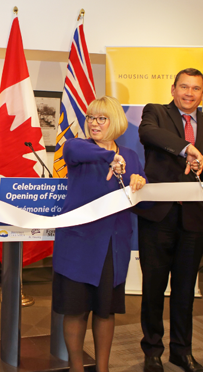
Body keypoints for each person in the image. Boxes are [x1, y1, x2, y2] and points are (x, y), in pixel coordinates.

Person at [133, 68, 203, 372]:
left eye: (196, 88)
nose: (189, 93)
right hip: (158, 216)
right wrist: (186, 148)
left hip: (194, 219)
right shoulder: (156, 114)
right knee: (153, 288)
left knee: (186, 289)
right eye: (184, 87)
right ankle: (152, 351)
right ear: (173, 89)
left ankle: (181, 351)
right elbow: (148, 134)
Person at [52, 96, 146, 372]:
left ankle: (102, 368)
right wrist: (110, 157)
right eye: (91, 118)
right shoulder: (77, 147)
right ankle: (77, 368)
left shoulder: (129, 156)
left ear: (114, 121)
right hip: (78, 244)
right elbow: (78, 152)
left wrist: (140, 181)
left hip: (113, 246)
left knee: (106, 310)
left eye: (101, 118)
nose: (94, 123)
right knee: (76, 309)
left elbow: (142, 190)